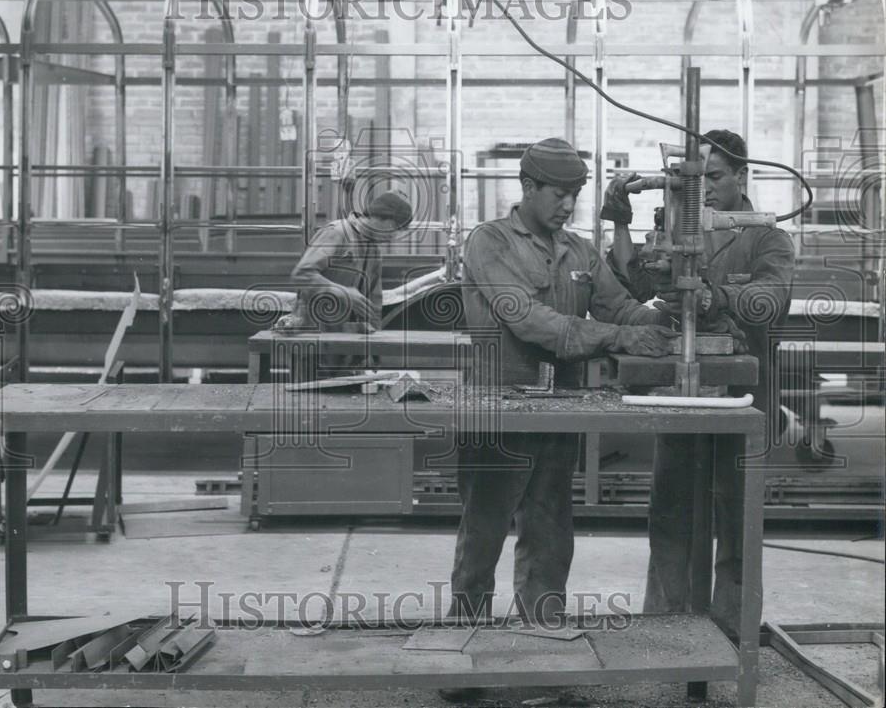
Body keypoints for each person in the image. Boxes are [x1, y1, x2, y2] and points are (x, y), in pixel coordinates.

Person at [446, 137, 678, 641]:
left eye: (575, 193)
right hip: (498, 410)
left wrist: (673, 324)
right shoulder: (489, 242)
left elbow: (619, 307)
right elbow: (530, 321)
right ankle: (464, 647)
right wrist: (618, 335)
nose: (569, 205)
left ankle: (541, 642)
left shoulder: (580, 249)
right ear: (528, 187)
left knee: (550, 536)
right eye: (558, 193)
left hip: (560, 408)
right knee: (483, 534)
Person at [600, 129, 795, 638]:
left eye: (714, 177)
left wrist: (714, 300)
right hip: (684, 390)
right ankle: (668, 630)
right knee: (672, 510)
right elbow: (633, 283)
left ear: (740, 176)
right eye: (693, 180)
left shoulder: (765, 235)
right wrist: (620, 222)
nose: (703, 189)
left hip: (742, 397)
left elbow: (770, 301)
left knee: (735, 518)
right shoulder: (673, 222)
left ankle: (730, 634)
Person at [282, 190, 413, 333]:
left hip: (344, 336)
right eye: (394, 228)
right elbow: (301, 275)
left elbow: (373, 300)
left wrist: (373, 334)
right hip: (312, 330)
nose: (394, 236)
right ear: (380, 217)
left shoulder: (374, 251)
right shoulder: (337, 233)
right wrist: (343, 292)